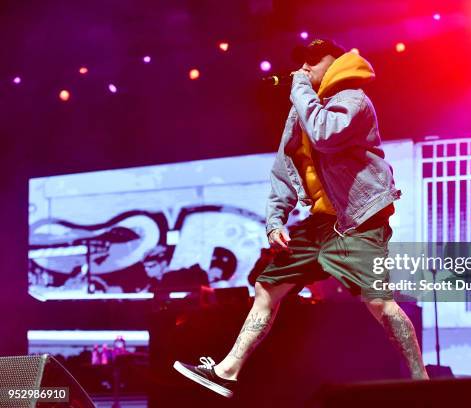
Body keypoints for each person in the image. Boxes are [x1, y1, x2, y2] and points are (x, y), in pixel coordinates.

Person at [174, 39, 429, 398]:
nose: (305, 67)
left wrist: (299, 89)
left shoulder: (353, 99)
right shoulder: (302, 109)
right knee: (267, 286)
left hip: (359, 219)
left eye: (314, 60)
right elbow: (284, 168)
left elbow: (326, 135)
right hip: (321, 223)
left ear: (337, 63)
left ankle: (423, 384)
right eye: (302, 62)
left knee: (378, 302)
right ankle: (227, 371)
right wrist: (275, 221)